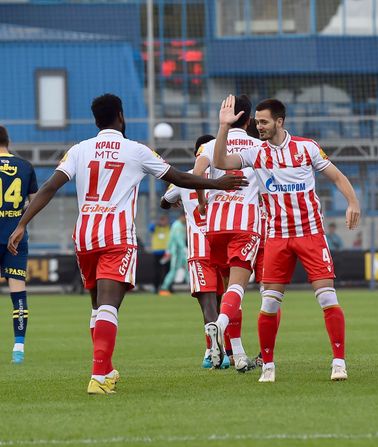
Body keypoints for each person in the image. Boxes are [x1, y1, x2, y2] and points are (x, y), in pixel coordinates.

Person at [7, 93, 248, 395]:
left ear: (96, 120)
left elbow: (49, 186)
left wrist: (22, 224)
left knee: (97, 308)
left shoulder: (79, 150)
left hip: (84, 235)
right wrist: (217, 183)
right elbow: (179, 178)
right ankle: (98, 377)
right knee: (109, 305)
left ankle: (106, 369)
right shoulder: (136, 150)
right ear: (120, 116)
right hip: (116, 236)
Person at [213, 95, 361, 383]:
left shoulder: (307, 148)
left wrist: (353, 202)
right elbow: (220, 161)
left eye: (264, 122)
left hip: (310, 234)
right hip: (277, 238)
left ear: (280, 121)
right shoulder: (256, 152)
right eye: (257, 122)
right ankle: (268, 366)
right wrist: (223, 126)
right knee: (269, 305)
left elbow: (337, 176)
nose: (260, 127)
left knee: (328, 297)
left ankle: (339, 363)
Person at [191, 95, 262, 372]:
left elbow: (198, 171)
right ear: (249, 119)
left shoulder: (210, 145)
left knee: (231, 291)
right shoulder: (258, 145)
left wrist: (202, 199)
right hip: (245, 224)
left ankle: (240, 355)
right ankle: (218, 324)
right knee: (237, 290)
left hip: (215, 225)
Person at [161, 134, 232, 369]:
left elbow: (164, 201)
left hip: (199, 249)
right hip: (222, 245)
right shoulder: (225, 177)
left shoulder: (185, 179)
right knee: (225, 302)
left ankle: (212, 353)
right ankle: (227, 351)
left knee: (208, 304)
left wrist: (174, 201)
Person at [0, 125, 38, 364]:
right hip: (15, 237)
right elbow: (35, 203)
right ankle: (19, 349)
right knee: (18, 292)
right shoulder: (25, 166)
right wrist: (19, 221)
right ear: (8, 140)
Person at [158, 214, 187, 295]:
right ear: (182, 216)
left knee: (188, 268)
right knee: (173, 270)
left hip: (179, 252)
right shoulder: (177, 225)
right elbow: (178, 239)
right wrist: (184, 248)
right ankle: (164, 288)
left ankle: (193, 287)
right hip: (176, 252)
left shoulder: (179, 225)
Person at [149, 214, 171, 293]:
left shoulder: (169, 228)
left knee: (167, 271)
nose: (164, 222)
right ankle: (156, 288)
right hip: (157, 253)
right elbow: (150, 228)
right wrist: (157, 223)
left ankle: (167, 287)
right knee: (157, 271)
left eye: (165, 220)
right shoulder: (156, 228)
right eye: (162, 220)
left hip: (166, 253)